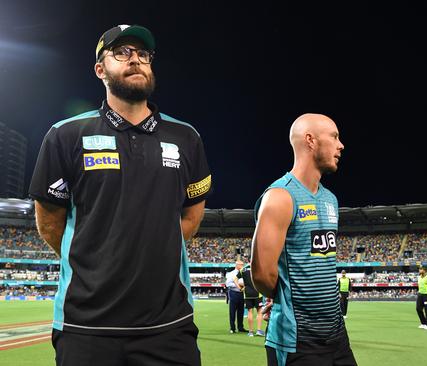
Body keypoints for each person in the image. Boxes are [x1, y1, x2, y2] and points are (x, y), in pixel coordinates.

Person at [29, 24, 211, 365]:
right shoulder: (65, 135)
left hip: (168, 327)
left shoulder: (187, 138)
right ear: (100, 69)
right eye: (122, 53)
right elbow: (49, 222)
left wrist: (153, 248)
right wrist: (97, 260)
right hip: (85, 326)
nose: (135, 60)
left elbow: (191, 216)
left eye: (143, 54)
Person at [251, 113, 357, 366]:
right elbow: (262, 274)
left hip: (337, 337)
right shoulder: (280, 196)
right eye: (334, 137)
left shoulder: (330, 200)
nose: (341, 145)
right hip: (297, 342)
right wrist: (282, 301)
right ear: (310, 141)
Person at [237, 263, 265, 337]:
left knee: (250, 311)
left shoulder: (243, 269)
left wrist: (240, 287)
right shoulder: (259, 267)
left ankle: (251, 332)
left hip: (247, 293)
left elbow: (235, 278)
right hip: (257, 292)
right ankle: (259, 330)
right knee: (259, 311)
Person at [225, 260, 247, 333]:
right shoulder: (231, 274)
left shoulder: (243, 273)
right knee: (232, 311)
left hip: (241, 293)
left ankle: (240, 327)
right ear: (237, 265)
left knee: (241, 311)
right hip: (233, 293)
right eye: (241, 265)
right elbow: (228, 284)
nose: (242, 266)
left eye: (243, 265)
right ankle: (232, 328)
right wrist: (238, 286)